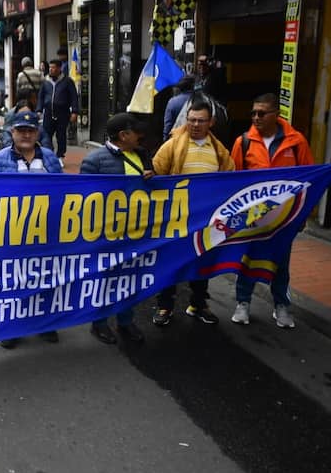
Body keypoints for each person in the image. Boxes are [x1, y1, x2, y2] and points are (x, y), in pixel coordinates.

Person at [229, 93, 313, 328]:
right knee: (247, 259)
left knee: (281, 261)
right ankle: (242, 302)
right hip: (252, 218)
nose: (256, 117)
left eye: (262, 113)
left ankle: (281, 305)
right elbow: (235, 180)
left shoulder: (296, 142)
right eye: (253, 113)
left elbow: (310, 179)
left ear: (276, 115)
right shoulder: (243, 142)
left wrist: (304, 214)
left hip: (285, 218)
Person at [152, 100, 234, 327]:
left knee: (202, 264)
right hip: (175, 221)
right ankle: (164, 305)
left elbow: (231, 179)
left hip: (205, 222)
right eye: (191, 120)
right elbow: (155, 175)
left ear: (211, 122)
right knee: (170, 264)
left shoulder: (219, 151)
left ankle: (199, 305)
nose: (195, 124)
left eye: (200, 120)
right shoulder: (171, 146)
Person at [0, 110, 64, 346]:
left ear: (37, 133)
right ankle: (12, 327)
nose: (26, 135)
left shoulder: (50, 158)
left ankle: (45, 324)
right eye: (21, 130)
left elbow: (63, 191)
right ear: (12, 132)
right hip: (12, 234)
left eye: (30, 130)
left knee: (46, 279)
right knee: (13, 281)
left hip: (45, 233)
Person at [80, 113, 152, 345]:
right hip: (106, 235)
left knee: (130, 278)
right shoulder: (95, 161)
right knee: (105, 279)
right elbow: (83, 198)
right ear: (123, 135)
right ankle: (99, 324)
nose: (140, 136)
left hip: (136, 233)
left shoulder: (141, 155)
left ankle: (125, 321)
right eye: (135, 132)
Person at [37, 59, 79, 158]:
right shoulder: (45, 81)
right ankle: (48, 153)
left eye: (53, 67)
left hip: (62, 113)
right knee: (46, 135)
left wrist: (75, 111)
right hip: (48, 113)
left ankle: (60, 154)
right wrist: (39, 109)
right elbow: (41, 96)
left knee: (61, 135)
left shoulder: (67, 81)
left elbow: (74, 97)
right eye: (50, 67)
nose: (51, 70)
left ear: (59, 68)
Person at [162, 75, 196, 140]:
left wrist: (165, 140)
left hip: (177, 139)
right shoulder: (200, 100)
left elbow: (168, 125)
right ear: (192, 86)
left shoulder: (172, 102)